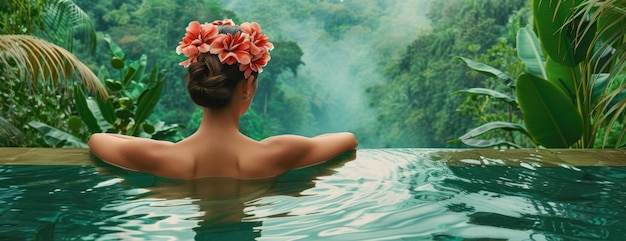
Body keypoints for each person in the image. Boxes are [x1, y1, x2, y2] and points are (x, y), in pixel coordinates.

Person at [88, 19, 358, 179]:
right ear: (247, 88)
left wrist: (159, 147)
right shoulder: (276, 153)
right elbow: (348, 139)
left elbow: (97, 140)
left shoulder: (162, 157)